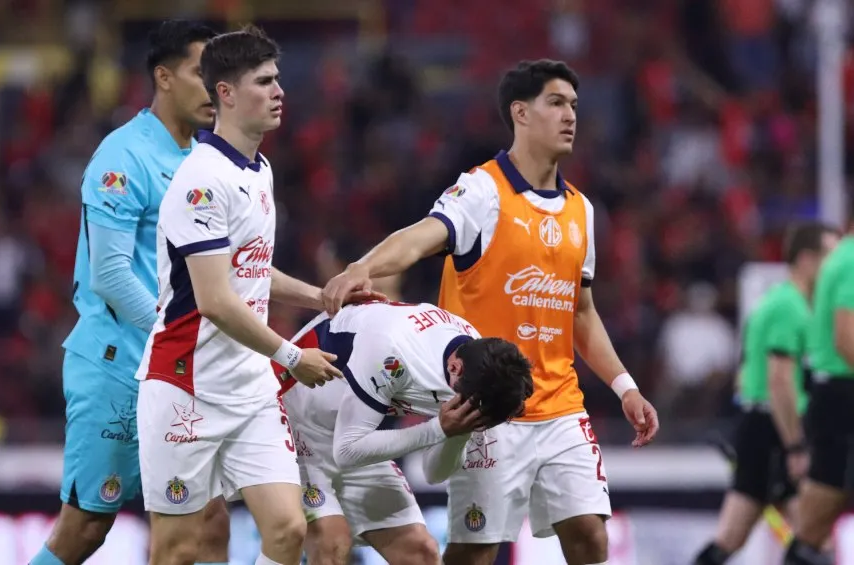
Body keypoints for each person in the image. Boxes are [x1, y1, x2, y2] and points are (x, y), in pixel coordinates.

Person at [322, 59, 660, 565]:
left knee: (591, 537)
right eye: (556, 103)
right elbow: (420, 238)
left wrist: (625, 387)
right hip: (488, 405)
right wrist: (364, 267)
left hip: (561, 406)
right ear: (520, 113)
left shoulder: (581, 210)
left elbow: (581, 313)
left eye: (573, 104)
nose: (570, 115)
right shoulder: (481, 190)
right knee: (475, 552)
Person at [135, 26, 355, 565]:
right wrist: (292, 356)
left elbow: (250, 271)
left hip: (249, 386)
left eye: (277, 79)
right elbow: (214, 299)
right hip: (186, 385)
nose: (279, 92)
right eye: (264, 81)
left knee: (287, 529)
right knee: (177, 550)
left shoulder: (259, 170)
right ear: (226, 93)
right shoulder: (201, 180)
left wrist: (322, 296)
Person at [32, 21, 231, 565]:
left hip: (180, 370)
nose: (215, 88)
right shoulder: (123, 157)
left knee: (209, 521)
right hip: (119, 363)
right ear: (163, 77)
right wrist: (184, 335)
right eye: (201, 73)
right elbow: (112, 277)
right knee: (86, 528)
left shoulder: (207, 160)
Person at [278, 300, 534, 565]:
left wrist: (458, 433)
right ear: (454, 368)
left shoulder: (483, 373)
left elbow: (434, 473)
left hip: (352, 428)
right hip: (296, 420)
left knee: (421, 554)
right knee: (332, 544)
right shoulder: (395, 348)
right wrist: (437, 429)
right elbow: (347, 451)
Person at [694, 222, 839, 565]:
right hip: (776, 430)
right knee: (814, 539)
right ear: (806, 259)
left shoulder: (781, 303)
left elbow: (747, 374)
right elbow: (780, 380)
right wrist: (795, 445)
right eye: (830, 258)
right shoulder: (789, 307)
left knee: (732, 537)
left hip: (762, 428)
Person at [783, 209, 854, 565]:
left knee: (813, 527)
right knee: (813, 526)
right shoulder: (851, 260)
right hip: (843, 397)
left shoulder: (841, 257)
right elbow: (846, 337)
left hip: (834, 395)